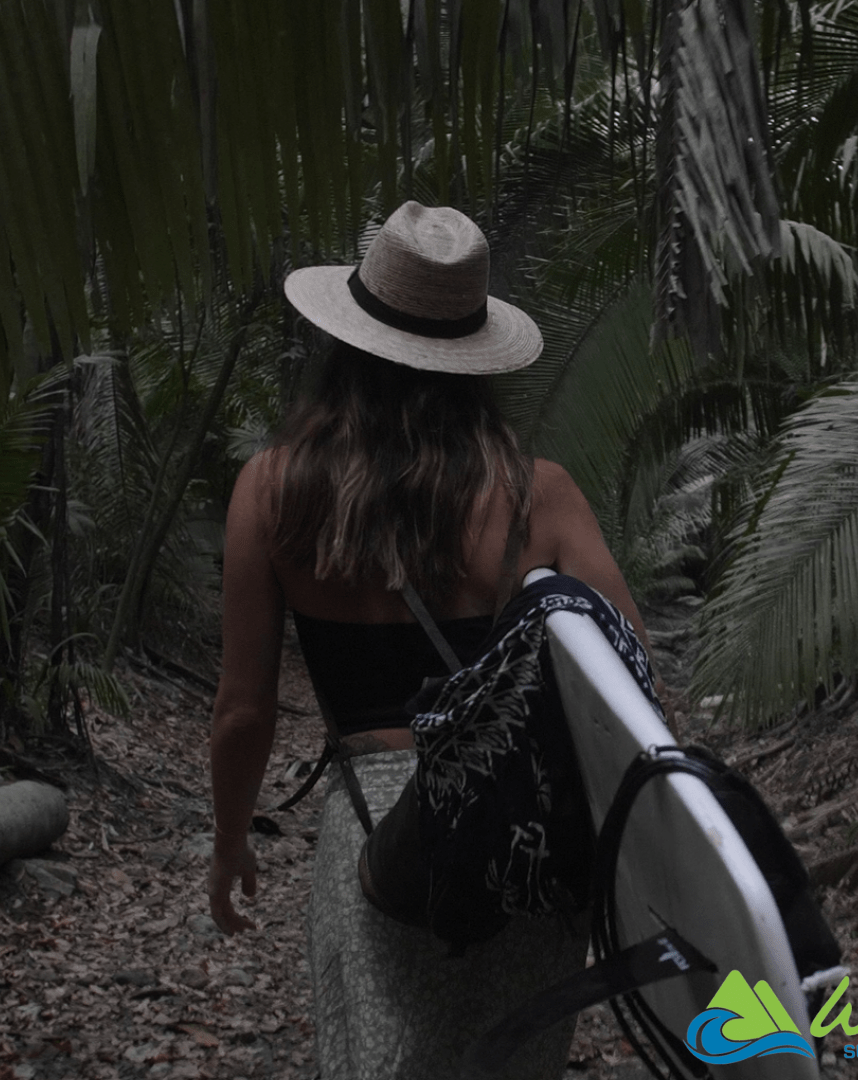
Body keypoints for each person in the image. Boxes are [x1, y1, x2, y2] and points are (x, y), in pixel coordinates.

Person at [207, 201, 657, 1079]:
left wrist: (229, 842)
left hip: (380, 842)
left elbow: (242, 712)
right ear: (475, 358)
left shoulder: (271, 491)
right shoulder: (542, 495)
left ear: (345, 342)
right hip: (517, 838)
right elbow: (633, 694)